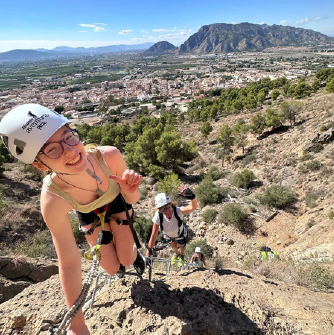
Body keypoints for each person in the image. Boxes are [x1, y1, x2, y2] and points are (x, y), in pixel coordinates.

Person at [0, 103, 146, 335]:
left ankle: (134, 255)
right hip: (90, 215)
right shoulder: (53, 199)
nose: (70, 150)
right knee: (110, 268)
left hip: (118, 204)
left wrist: (130, 189)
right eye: (52, 150)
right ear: (39, 164)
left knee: (127, 259)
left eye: (69, 137)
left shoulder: (109, 156)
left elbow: (133, 198)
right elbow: (68, 262)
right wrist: (77, 327)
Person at [145, 185, 197, 267]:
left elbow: (193, 207)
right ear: (159, 209)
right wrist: (148, 254)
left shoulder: (178, 211)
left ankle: (182, 256)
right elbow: (154, 235)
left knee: (181, 246)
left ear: (171, 203)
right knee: (174, 246)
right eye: (162, 209)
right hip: (169, 236)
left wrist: (192, 197)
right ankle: (177, 254)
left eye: (167, 206)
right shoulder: (158, 216)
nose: (166, 210)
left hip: (180, 234)